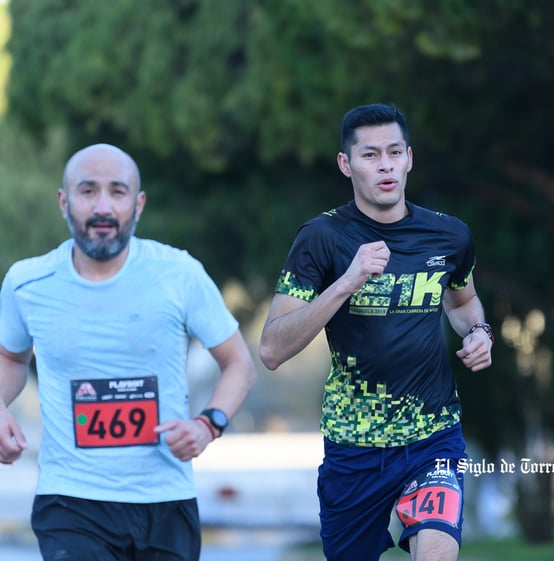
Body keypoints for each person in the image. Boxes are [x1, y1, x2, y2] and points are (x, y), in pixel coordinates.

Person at [0, 143, 257, 561]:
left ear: (138, 204)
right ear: (64, 202)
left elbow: (239, 366)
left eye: (117, 192)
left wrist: (208, 425)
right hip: (70, 500)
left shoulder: (179, 274)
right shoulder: (27, 283)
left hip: (166, 500)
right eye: (87, 191)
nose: (103, 206)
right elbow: (10, 358)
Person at [259, 103, 493, 561]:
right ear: (346, 165)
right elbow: (271, 348)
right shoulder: (322, 238)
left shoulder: (449, 236)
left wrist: (479, 332)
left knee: (437, 550)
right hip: (354, 444)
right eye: (370, 155)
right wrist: (346, 282)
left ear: (409, 158)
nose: (384, 164)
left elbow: (462, 301)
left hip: (432, 434)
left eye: (393, 152)